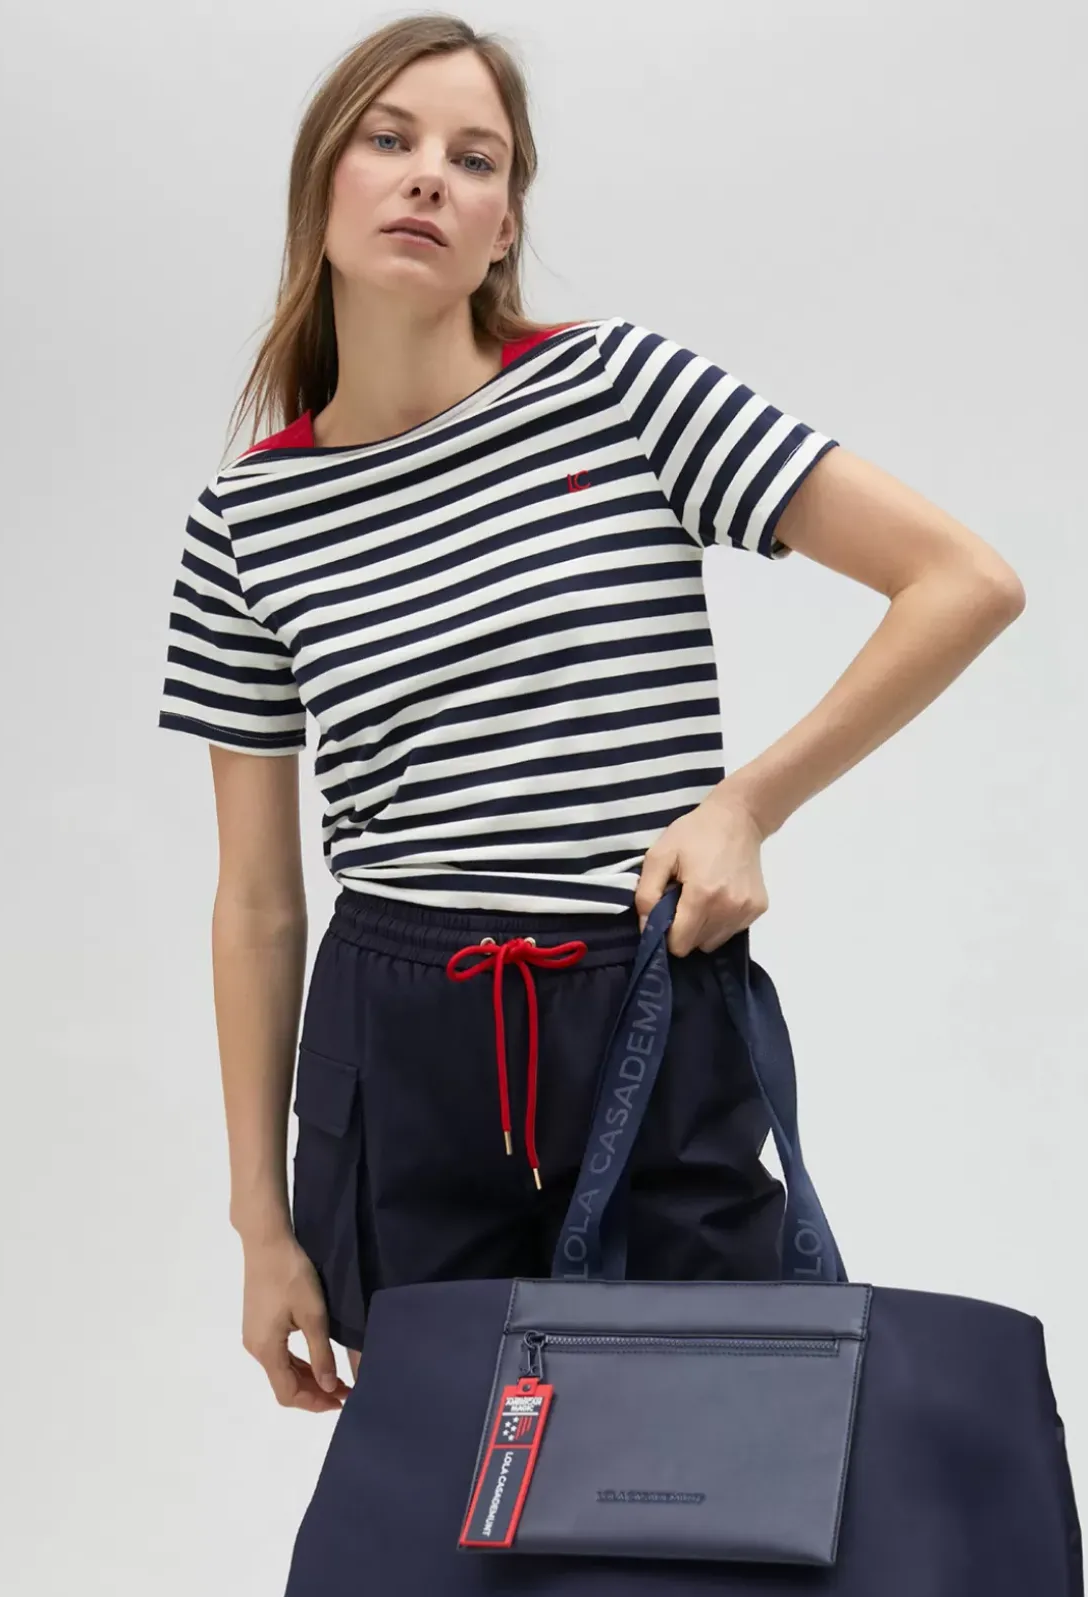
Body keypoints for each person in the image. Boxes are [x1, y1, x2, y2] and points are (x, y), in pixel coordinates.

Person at [158, 13, 1025, 1411]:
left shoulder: (617, 388)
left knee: (708, 1456)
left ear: (504, 226)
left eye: (476, 158)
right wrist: (259, 1224)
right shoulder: (245, 519)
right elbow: (257, 901)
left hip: (640, 998)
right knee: (460, 1488)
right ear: (321, 184)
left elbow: (963, 582)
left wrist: (747, 804)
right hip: (400, 1037)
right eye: (389, 139)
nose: (430, 174)